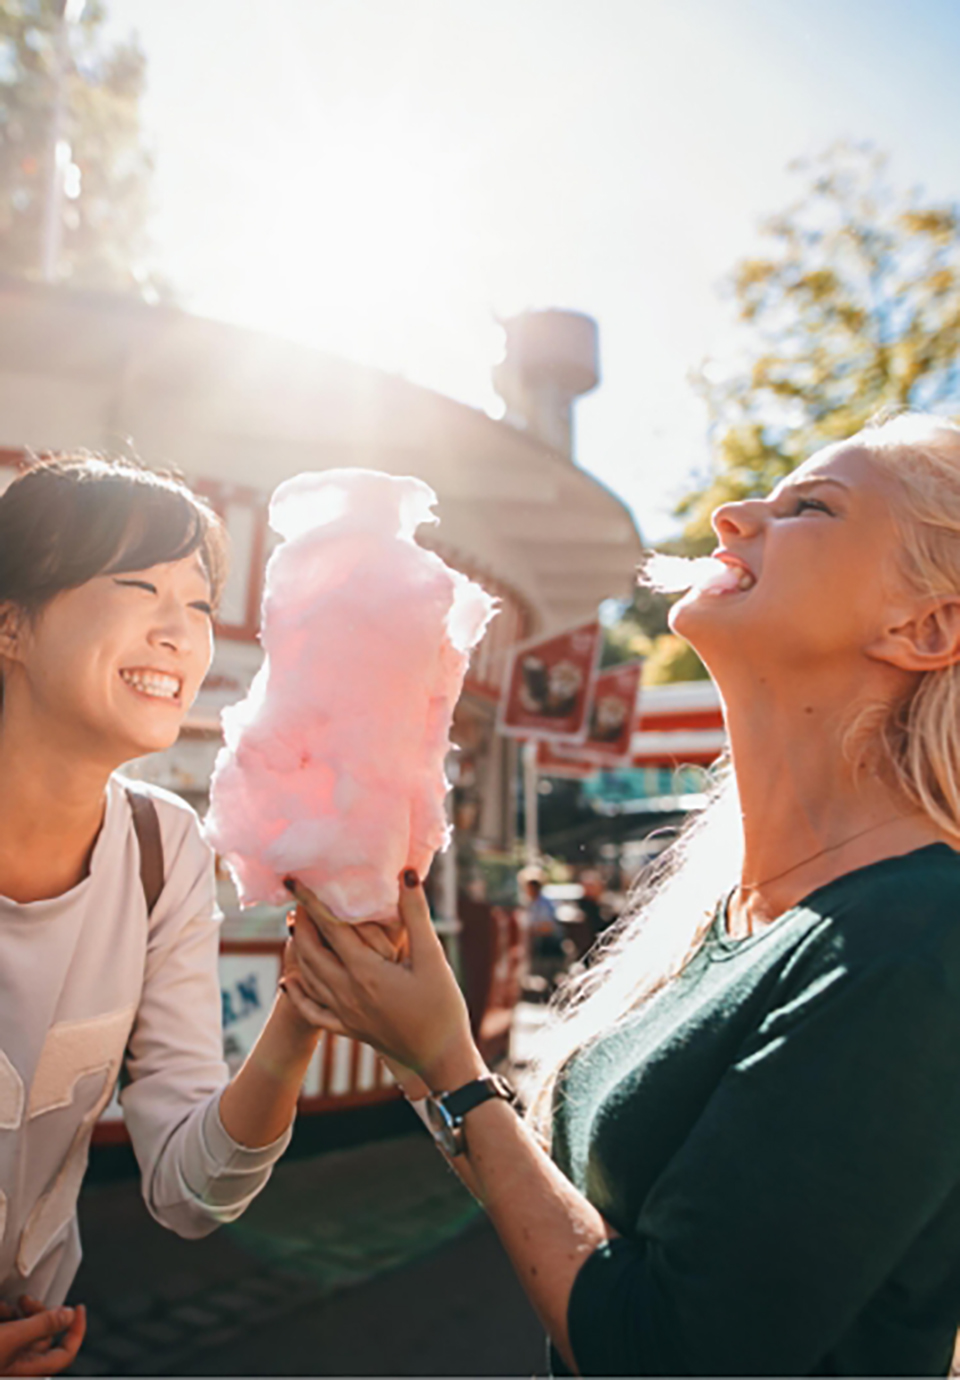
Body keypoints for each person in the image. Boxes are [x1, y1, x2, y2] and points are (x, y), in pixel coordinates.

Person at [283, 411, 960, 1376]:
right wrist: (415, 1046)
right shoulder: (729, 912)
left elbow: (664, 1353)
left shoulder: (916, 944)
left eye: (810, 507)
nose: (731, 514)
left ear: (924, 625)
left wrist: (445, 1065)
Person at [0, 457, 331, 1377]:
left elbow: (191, 1191)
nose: (180, 633)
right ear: (10, 625)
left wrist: (300, 1017)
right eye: (139, 586)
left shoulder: (162, 848)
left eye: (197, 602)